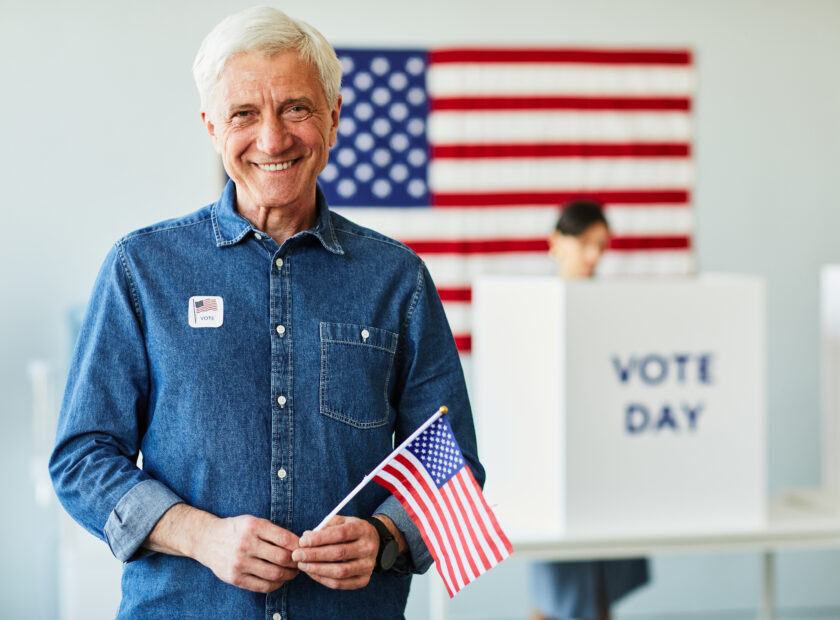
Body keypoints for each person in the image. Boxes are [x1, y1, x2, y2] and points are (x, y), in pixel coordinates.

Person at [49, 7, 482, 619]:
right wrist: (199, 535)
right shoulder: (141, 270)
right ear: (210, 126)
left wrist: (385, 537)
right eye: (244, 114)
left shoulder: (397, 280)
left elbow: (452, 461)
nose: (273, 139)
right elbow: (81, 458)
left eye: (297, 109)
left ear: (333, 117)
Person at [533, 200, 650, 620]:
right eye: (584, 243)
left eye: (600, 245)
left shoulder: (611, 306)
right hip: (551, 465)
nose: (593, 255)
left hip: (604, 458)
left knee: (603, 584)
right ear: (556, 243)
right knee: (557, 589)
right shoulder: (533, 306)